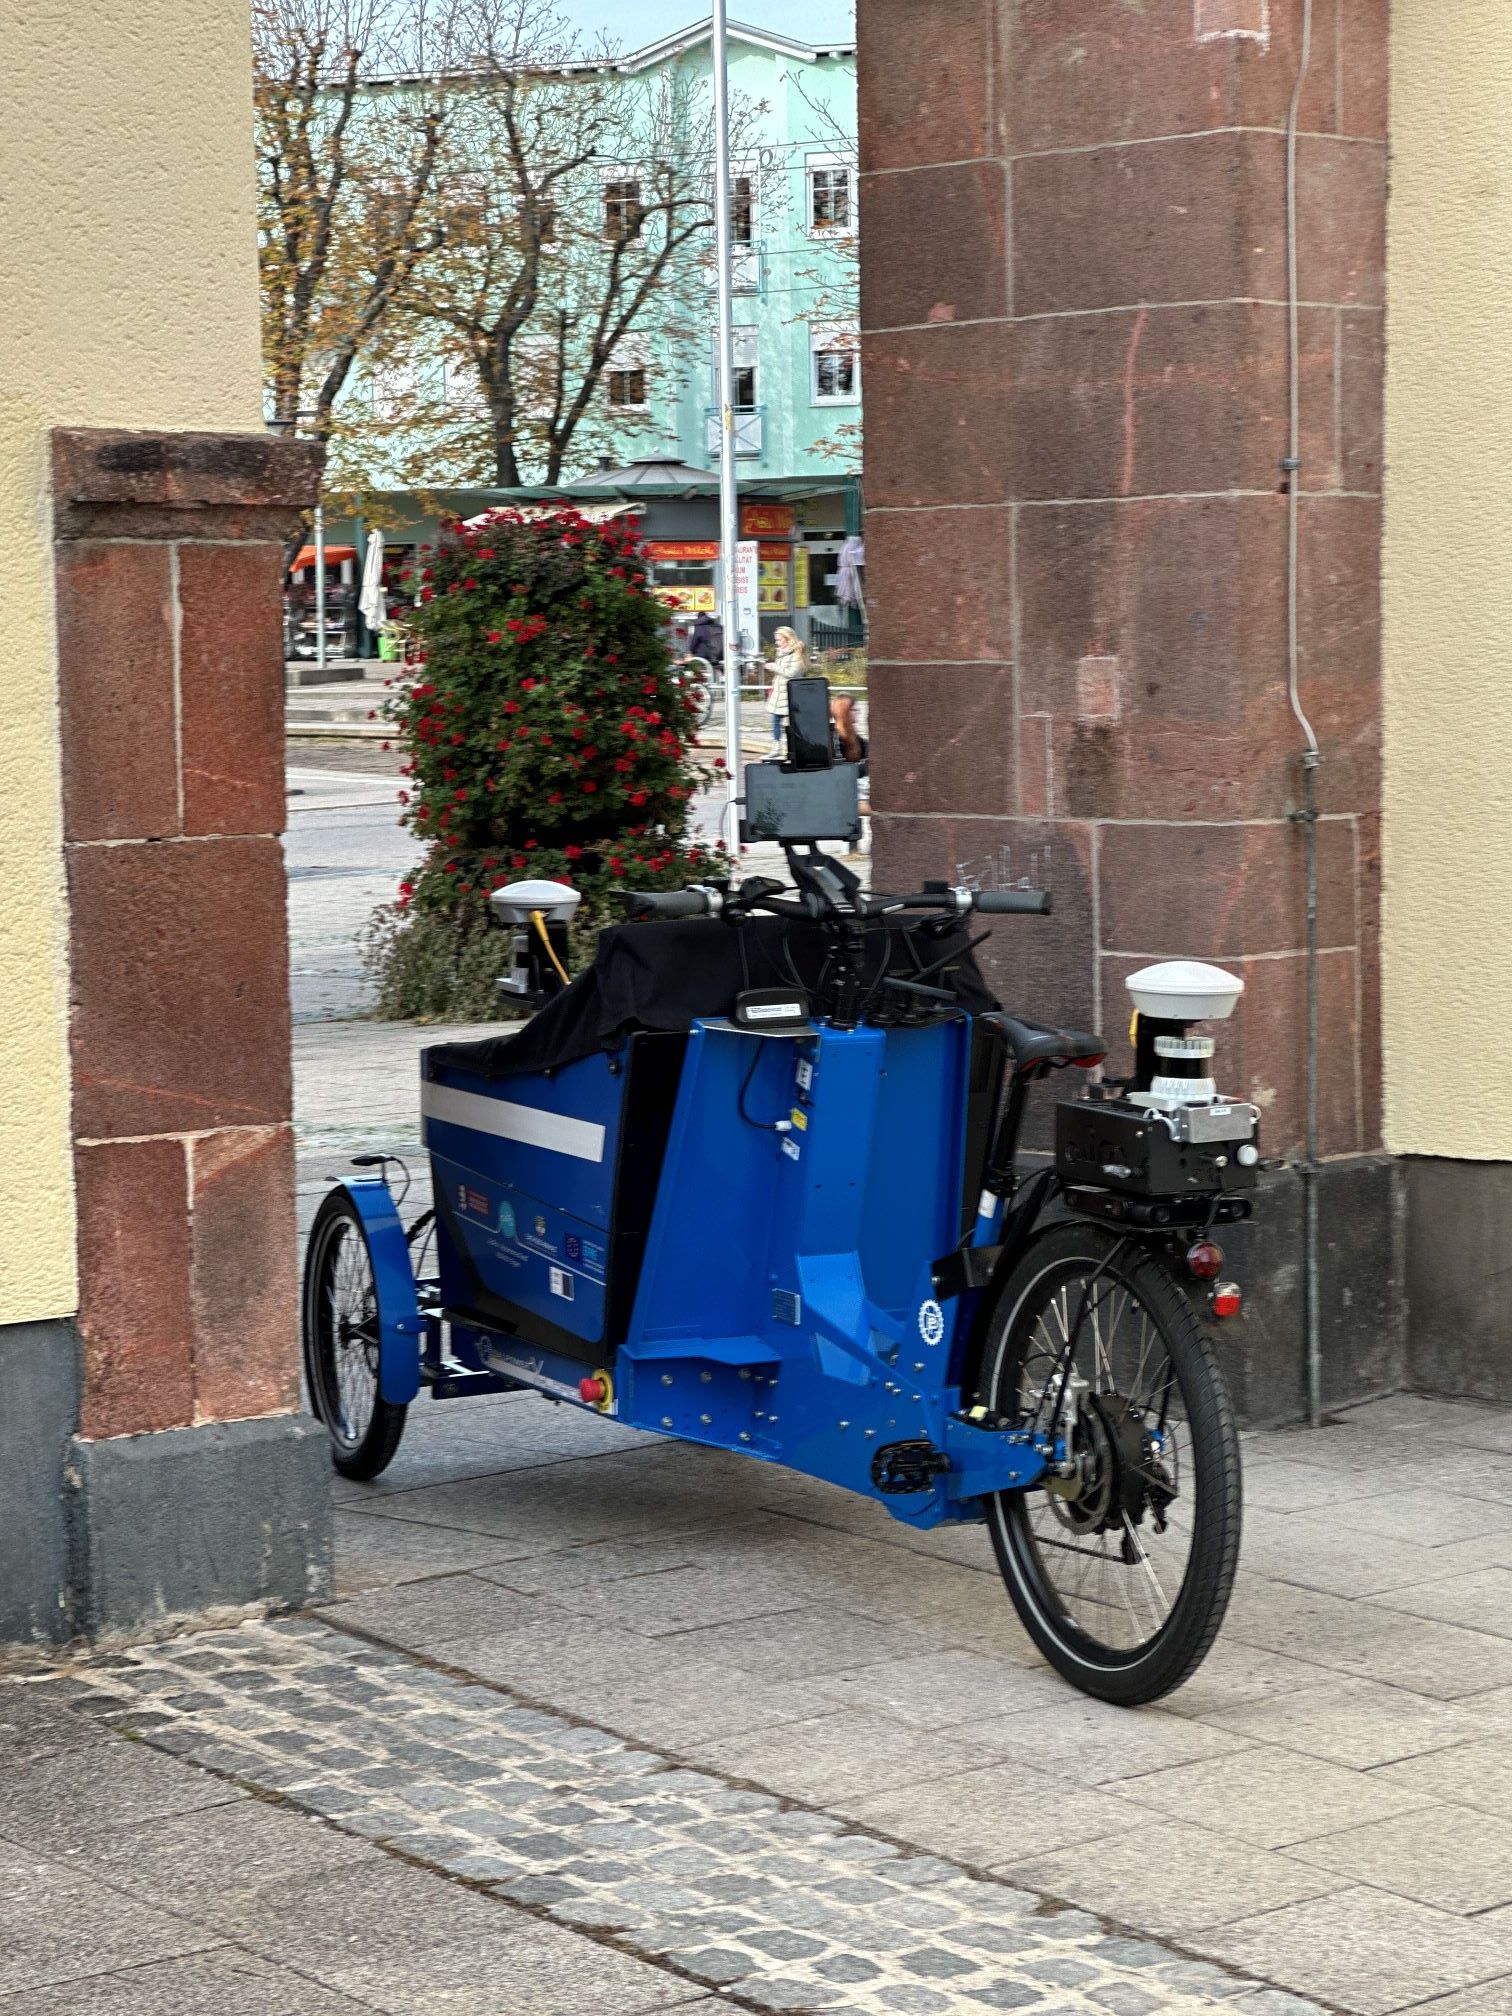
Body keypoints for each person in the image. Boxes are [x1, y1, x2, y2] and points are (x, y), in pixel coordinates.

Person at [766, 626, 807, 752]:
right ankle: (776, 747)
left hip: (790, 693)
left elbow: (792, 672)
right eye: (776, 640)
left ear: (788, 639)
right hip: (779, 692)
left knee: (793, 723)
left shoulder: (796, 653)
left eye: (779, 640)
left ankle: (797, 747)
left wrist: (774, 667)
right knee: (776, 720)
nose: (777, 643)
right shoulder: (781, 653)